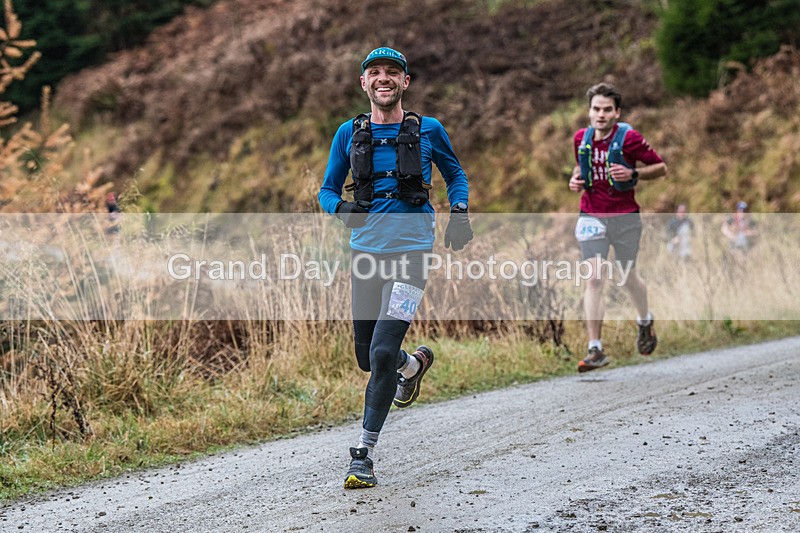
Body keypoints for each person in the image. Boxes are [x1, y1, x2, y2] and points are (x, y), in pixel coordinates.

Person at [318, 46, 472, 488]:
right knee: (368, 358)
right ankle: (412, 366)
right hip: (365, 254)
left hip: (412, 255)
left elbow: (455, 175)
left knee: (381, 352)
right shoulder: (349, 133)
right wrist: (343, 209)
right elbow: (326, 190)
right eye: (375, 72)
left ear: (405, 82)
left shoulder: (429, 130)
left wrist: (459, 212)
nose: (383, 78)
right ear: (363, 83)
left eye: (392, 72)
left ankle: (362, 454)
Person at [568, 82, 668, 372]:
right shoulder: (580, 138)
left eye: (607, 109)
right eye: (596, 109)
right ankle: (595, 348)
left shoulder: (630, 138)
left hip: (625, 217)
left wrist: (633, 172)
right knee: (594, 278)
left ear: (617, 112)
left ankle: (644, 320)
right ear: (589, 111)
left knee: (627, 278)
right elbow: (580, 169)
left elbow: (660, 167)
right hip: (591, 215)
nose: (601, 115)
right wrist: (575, 180)